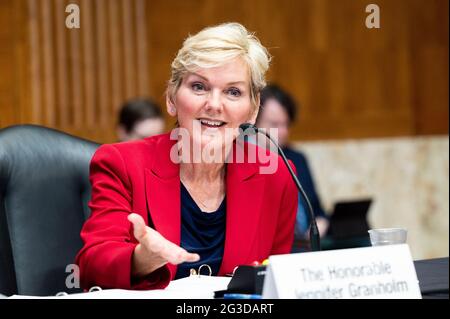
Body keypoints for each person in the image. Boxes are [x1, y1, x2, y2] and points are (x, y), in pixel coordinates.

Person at [76, 23, 298, 290]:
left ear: (253, 110)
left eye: (233, 92)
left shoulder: (275, 175)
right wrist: (142, 259)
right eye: (199, 87)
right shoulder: (122, 163)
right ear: (172, 98)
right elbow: (91, 268)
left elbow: (272, 283)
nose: (214, 105)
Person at [256, 84, 329, 241]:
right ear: (253, 125)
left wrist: (320, 224)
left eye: (286, 124)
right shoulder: (242, 161)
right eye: (274, 124)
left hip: (306, 245)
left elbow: (317, 210)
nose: (283, 132)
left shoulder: (297, 158)